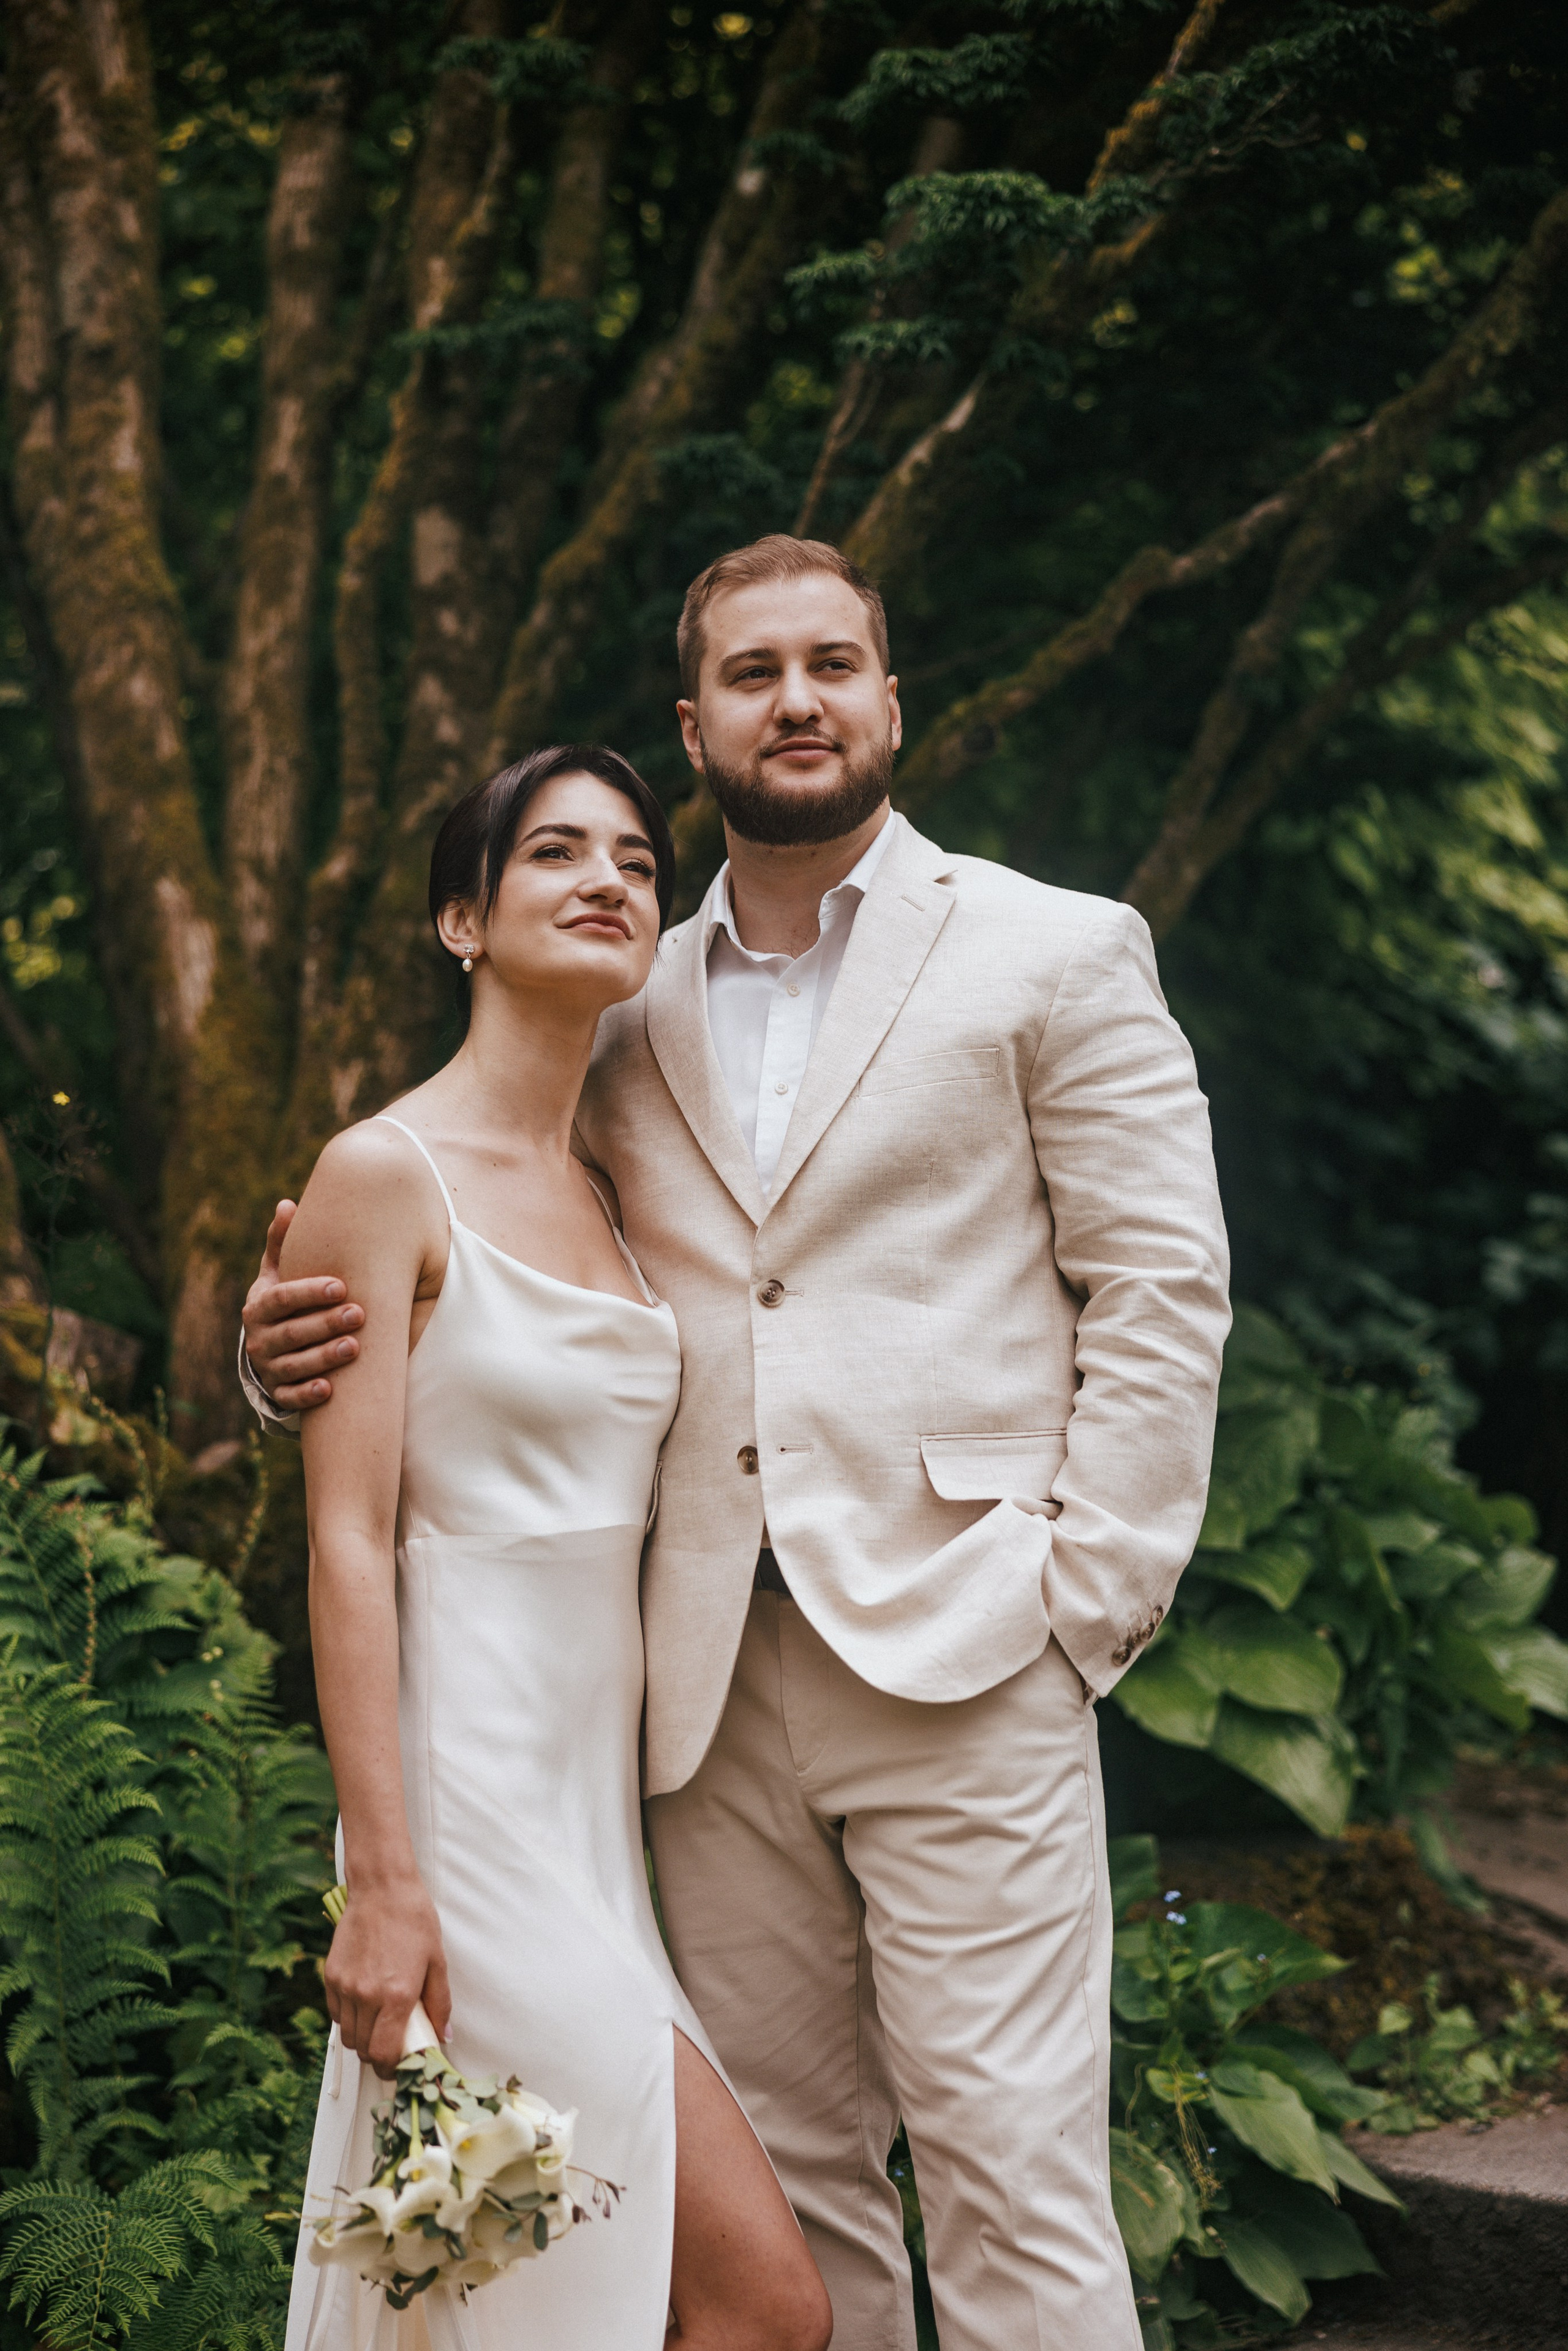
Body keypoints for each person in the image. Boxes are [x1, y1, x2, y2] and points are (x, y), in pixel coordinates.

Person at [246, 536, 1231, 2351]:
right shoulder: (624, 1001)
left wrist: (1082, 1604)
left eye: (833, 664)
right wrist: (283, 1347)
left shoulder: (1055, 951)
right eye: (754, 672)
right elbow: (471, 1273)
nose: (799, 701)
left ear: (891, 703)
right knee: (795, 2210)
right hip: (689, 1707)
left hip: (968, 1647)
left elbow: (1163, 1291)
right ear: (693, 725)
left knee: (1015, 2186)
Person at [274, 742, 831, 2351]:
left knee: (510, 2302)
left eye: (639, 863)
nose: (609, 880)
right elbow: (347, 1538)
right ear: (462, 920)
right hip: (469, 1837)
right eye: (557, 853)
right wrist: (385, 1884)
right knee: (763, 2308)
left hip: (599, 1841)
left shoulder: (611, 1187)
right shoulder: (381, 1172)